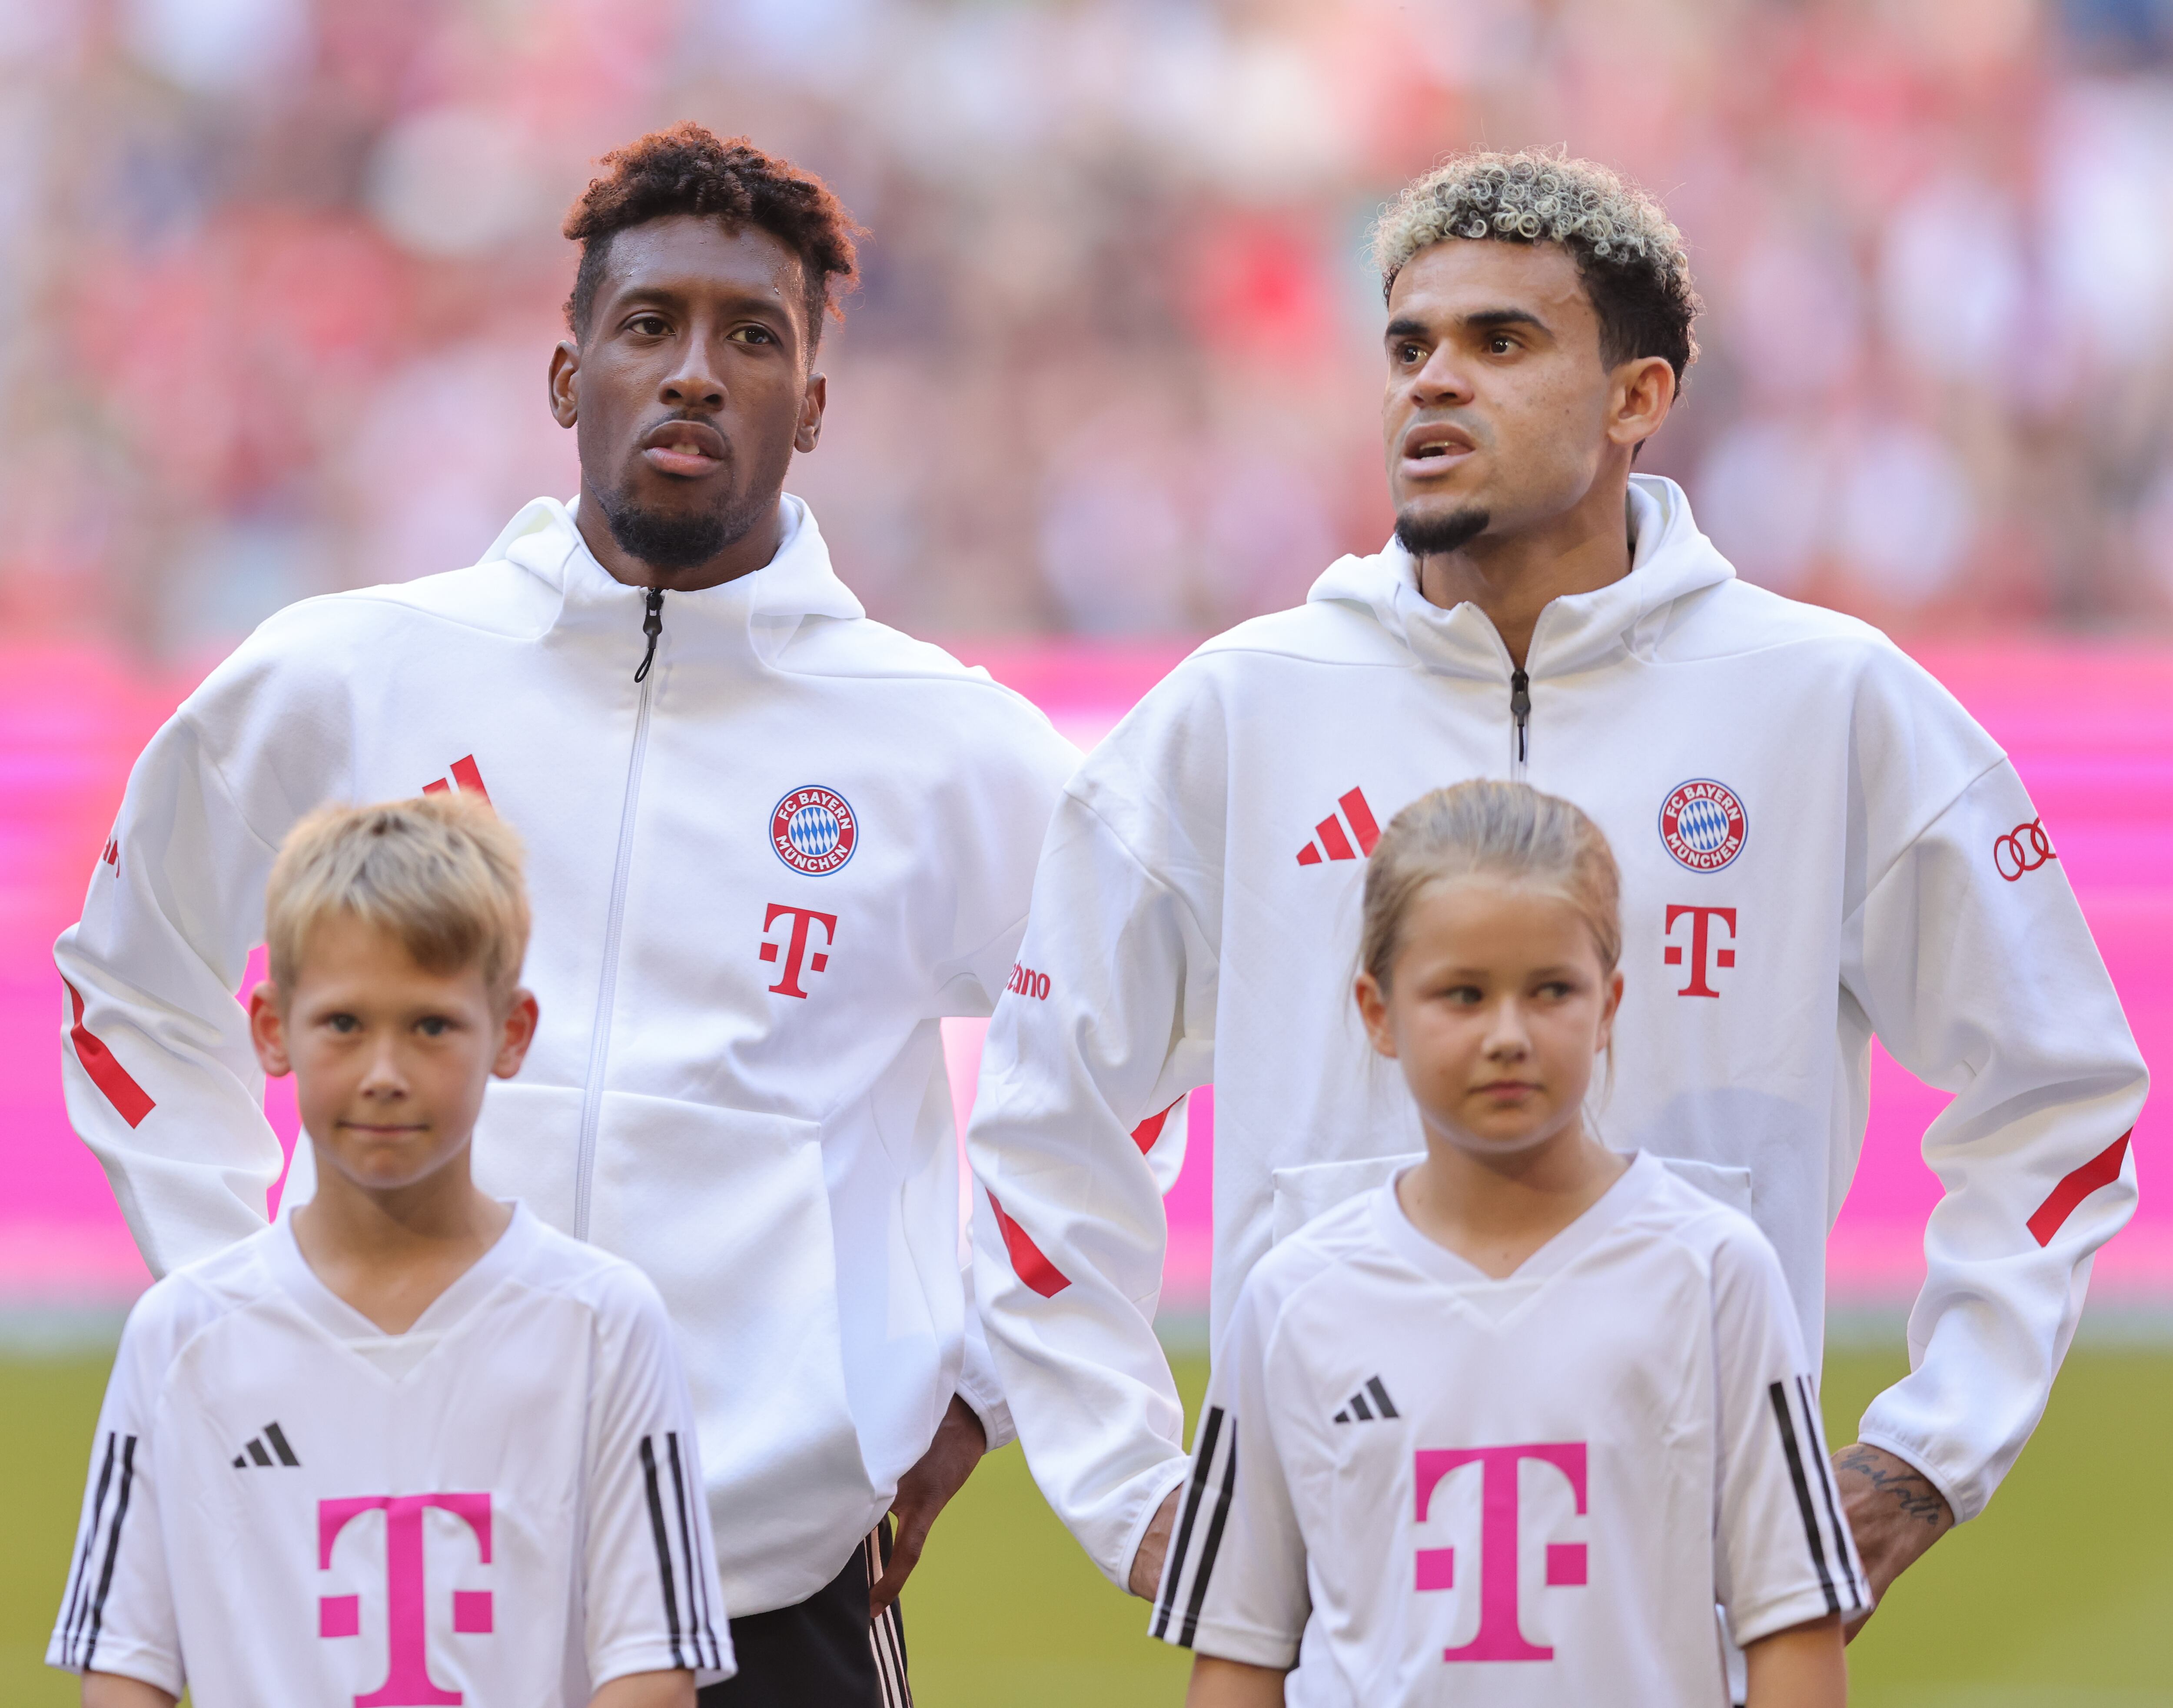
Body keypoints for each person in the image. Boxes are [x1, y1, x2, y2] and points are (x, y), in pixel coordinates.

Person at [967, 149, 2145, 1633]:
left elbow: (2062, 1095)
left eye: (1500, 343)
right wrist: (1139, 1498)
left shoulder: (1829, 700)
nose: (1433, 384)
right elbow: (1043, 1131)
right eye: (1409, 346)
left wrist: (1929, 1451)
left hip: (1697, 1590)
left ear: (1637, 400)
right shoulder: (1233, 710)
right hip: (1337, 1597)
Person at [55, 124, 1078, 1707]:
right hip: (407, 1537)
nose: (694, 373)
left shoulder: (947, 744)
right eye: (649, 324)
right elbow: (130, 984)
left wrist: (983, 1378)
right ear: (565, 373)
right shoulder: (347, 672)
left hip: (766, 1569)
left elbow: (1115, 1050)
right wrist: (245, 1306)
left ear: (813, 403)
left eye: (753, 337)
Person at [1160, 781, 1855, 1708]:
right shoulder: (1293, 1298)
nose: (1507, 1035)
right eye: (1461, 994)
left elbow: (1793, 1622)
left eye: (1551, 991)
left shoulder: (1713, 1271)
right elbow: (1239, 1651)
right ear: (1377, 1011)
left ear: (1608, 1004)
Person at [50, 796, 728, 1708]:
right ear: (271, 1028)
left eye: (432, 1025)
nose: (383, 1070)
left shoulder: (604, 1325)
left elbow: (649, 1670)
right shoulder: (182, 1337)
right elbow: (126, 1669)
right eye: (343, 1023)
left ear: (512, 1033)